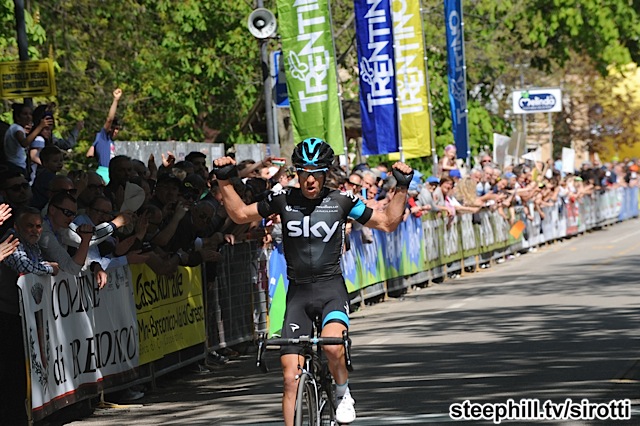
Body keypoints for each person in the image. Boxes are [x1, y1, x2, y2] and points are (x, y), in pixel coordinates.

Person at [213, 137, 414, 426]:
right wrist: (224, 181)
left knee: (332, 347)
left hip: (331, 290)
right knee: (289, 377)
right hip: (298, 295)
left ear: (325, 173)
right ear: (296, 172)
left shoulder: (341, 200)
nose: (310, 180)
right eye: (304, 173)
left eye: (316, 173)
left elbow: (387, 222)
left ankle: (342, 391)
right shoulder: (282, 198)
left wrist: (401, 187)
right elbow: (240, 214)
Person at [0, 207, 59, 424]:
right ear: (17, 227)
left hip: (22, 316)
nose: (35, 230)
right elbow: (26, 267)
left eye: (38, 226)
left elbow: (36, 264)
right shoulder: (12, 239)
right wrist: (50, 268)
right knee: (10, 372)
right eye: (29, 226)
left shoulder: (33, 245)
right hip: (6, 314)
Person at [3, 103, 53, 176]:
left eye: (30, 114)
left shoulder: (15, 128)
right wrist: (40, 127)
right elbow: (24, 143)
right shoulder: (17, 128)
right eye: (25, 114)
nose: (28, 117)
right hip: (15, 166)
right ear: (17, 117)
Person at [87, 88, 123, 183]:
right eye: (113, 128)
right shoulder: (103, 137)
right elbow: (109, 119)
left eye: (117, 129)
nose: (115, 131)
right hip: (103, 173)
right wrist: (115, 100)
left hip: (111, 174)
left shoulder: (111, 141)